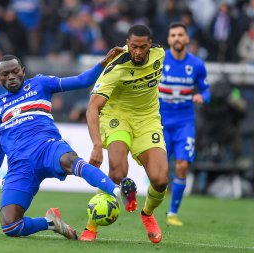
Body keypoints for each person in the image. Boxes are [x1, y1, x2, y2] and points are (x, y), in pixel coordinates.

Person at [0, 47, 138, 240]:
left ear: (23, 71)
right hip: (20, 165)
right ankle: (50, 222)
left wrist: (103, 63)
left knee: (71, 160)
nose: (11, 76)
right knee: (10, 226)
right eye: (5, 74)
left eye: (15, 71)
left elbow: (83, 81)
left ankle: (117, 191)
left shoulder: (40, 84)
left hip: (47, 147)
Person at [82, 24, 168, 244]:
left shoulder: (160, 54)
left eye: (143, 47)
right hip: (117, 117)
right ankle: (91, 224)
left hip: (148, 119)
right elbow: (93, 107)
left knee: (160, 179)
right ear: (127, 44)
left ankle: (147, 214)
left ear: (150, 45)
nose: (138, 52)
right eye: (134, 47)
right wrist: (96, 144)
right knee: (118, 172)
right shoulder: (116, 66)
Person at [159, 22, 210, 226]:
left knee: (181, 166)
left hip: (184, 123)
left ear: (187, 39)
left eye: (181, 34)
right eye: (173, 35)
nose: (177, 38)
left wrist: (202, 97)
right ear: (169, 39)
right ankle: (149, 209)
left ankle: (172, 213)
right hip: (160, 122)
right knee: (160, 173)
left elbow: (206, 90)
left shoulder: (197, 65)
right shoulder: (160, 60)